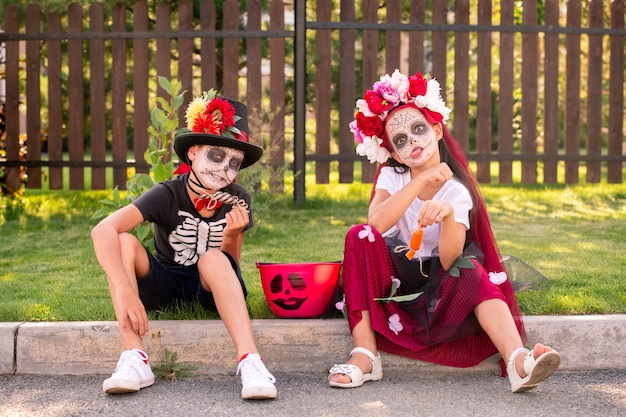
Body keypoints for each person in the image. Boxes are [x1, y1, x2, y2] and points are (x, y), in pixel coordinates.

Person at [328, 70, 561, 393]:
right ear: (394, 155)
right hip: (391, 284)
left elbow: (452, 260)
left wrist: (449, 214)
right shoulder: (393, 178)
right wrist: (421, 179)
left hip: (438, 291)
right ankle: (365, 353)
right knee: (359, 235)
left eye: (418, 129)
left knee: (473, 270)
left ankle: (518, 361)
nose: (412, 142)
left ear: (437, 130)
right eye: (400, 140)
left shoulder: (456, 193)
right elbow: (376, 224)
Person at [91, 90, 277, 400]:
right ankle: (134, 357)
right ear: (193, 151)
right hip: (163, 282)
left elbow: (232, 265)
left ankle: (251, 361)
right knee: (123, 240)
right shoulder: (167, 193)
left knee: (213, 260)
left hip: (211, 287)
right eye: (216, 156)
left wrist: (232, 236)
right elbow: (103, 230)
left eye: (234, 163)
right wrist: (124, 287)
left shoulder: (238, 198)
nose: (223, 170)